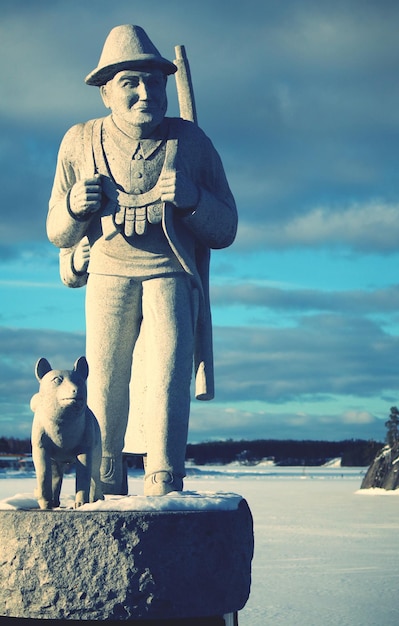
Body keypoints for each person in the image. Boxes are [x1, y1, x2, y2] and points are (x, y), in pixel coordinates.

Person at [47, 24, 237, 496]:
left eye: (154, 81)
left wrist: (192, 199)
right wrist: (74, 205)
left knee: (169, 369)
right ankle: (105, 472)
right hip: (108, 271)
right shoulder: (80, 141)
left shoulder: (190, 144)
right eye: (130, 82)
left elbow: (226, 227)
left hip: (171, 271)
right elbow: (57, 231)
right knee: (106, 374)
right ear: (106, 91)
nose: (144, 92)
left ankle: (164, 472)